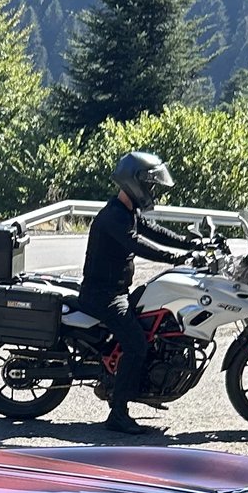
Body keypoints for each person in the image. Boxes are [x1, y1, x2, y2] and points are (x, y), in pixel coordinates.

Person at [78, 149, 196, 433]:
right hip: (103, 295)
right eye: (150, 184)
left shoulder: (128, 212)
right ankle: (118, 414)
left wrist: (191, 245)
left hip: (115, 291)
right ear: (136, 182)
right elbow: (138, 245)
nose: (153, 190)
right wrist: (175, 259)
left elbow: (154, 231)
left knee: (149, 327)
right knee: (136, 344)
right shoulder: (113, 217)